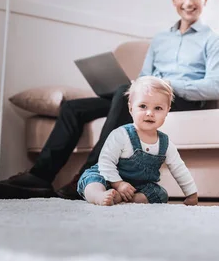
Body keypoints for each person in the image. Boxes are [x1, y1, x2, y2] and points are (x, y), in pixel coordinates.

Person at [0, 0, 219, 200]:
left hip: (178, 101)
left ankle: (91, 175)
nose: (188, 2)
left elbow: (214, 88)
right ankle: (39, 176)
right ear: (173, 0)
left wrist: (166, 85)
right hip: (146, 97)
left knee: (127, 93)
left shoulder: (213, 40)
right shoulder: (160, 39)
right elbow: (144, 76)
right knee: (74, 108)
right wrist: (137, 87)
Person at [79, 76, 197, 206]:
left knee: (160, 194)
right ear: (131, 108)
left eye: (158, 108)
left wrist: (191, 194)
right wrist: (118, 184)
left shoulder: (165, 143)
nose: (150, 113)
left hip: (137, 187)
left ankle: (128, 199)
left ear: (167, 111)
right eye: (143, 106)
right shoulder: (121, 135)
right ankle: (99, 196)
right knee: (92, 180)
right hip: (107, 178)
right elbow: (105, 162)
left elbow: (179, 169)